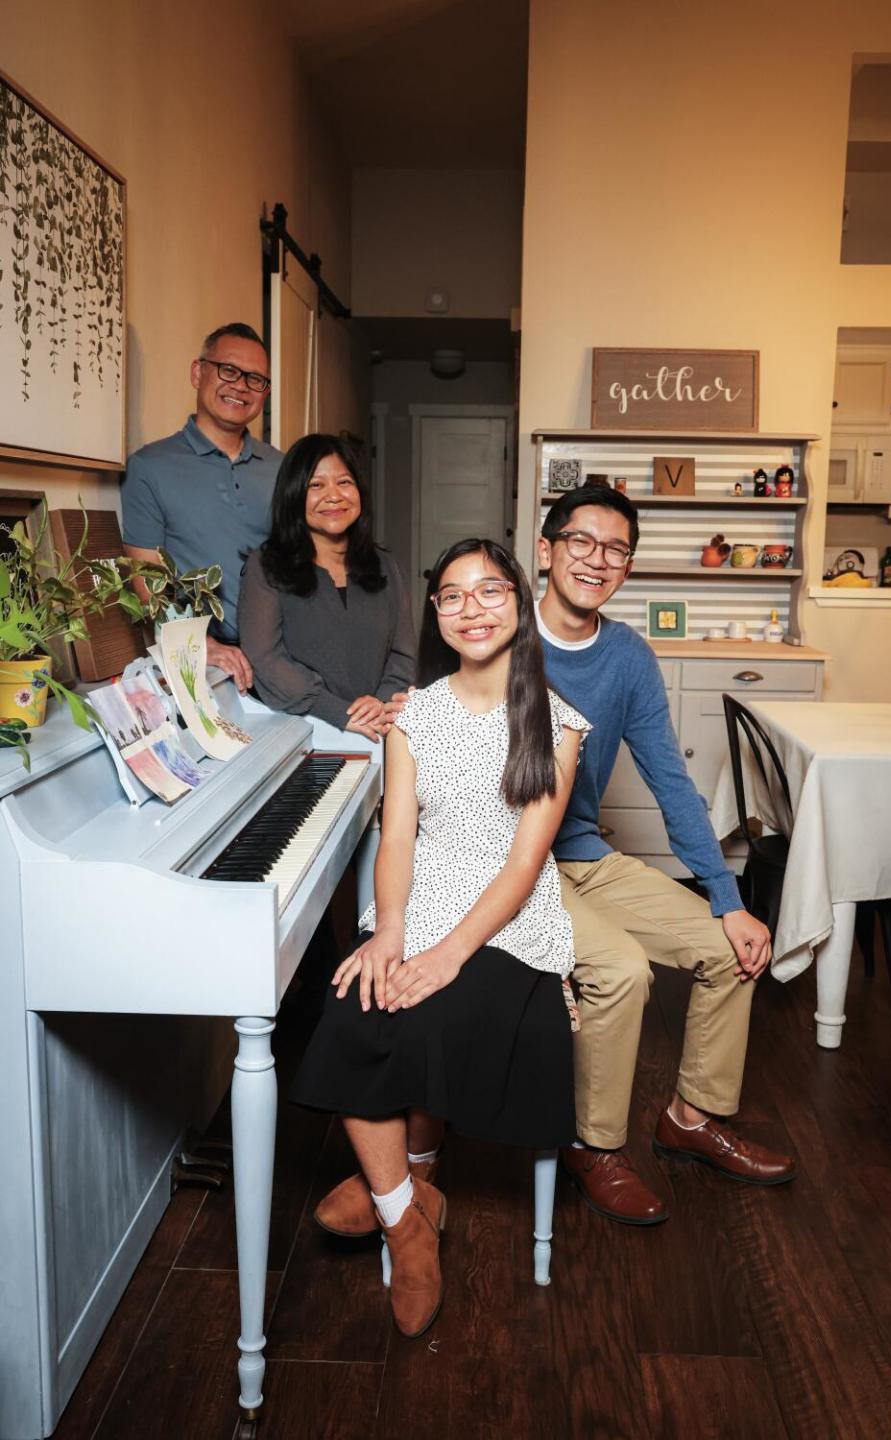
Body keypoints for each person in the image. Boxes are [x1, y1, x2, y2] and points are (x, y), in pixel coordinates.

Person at [291, 539, 589, 1337]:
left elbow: (525, 864)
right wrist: (389, 933)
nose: (471, 609)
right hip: (419, 897)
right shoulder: (411, 715)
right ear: (436, 616)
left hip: (510, 916)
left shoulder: (557, 725)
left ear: (519, 604)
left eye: (489, 591)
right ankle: (407, 1220)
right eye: (452, 596)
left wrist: (447, 955)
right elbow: (395, 840)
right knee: (353, 1006)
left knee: (432, 1011)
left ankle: (412, 1172)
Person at [535, 485, 796, 1225]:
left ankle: (691, 1116)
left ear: (628, 568)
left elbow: (671, 783)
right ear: (547, 548)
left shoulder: (627, 656)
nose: (598, 559)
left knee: (732, 947)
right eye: (582, 541)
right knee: (621, 969)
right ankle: (596, 1145)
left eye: (616, 549)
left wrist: (728, 896)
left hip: (586, 854)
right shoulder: (500, 633)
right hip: (510, 864)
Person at [122, 322, 281, 693]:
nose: (241, 386)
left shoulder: (284, 468)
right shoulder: (150, 467)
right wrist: (200, 646)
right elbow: (147, 574)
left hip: (284, 656)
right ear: (198, 372)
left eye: (255, 379)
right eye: (228, 370)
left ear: (265, 392)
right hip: (212, 667)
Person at [237, 434, 414, 742]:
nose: (334, 496)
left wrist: (381, 705)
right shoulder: (265, 566)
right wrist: (339, 712)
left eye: (344, 482)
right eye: (315, 485)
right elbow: (265, 657)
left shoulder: (386, 565)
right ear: (293, 494)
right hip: (306, 736)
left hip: (382, 730)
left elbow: (403, 654)